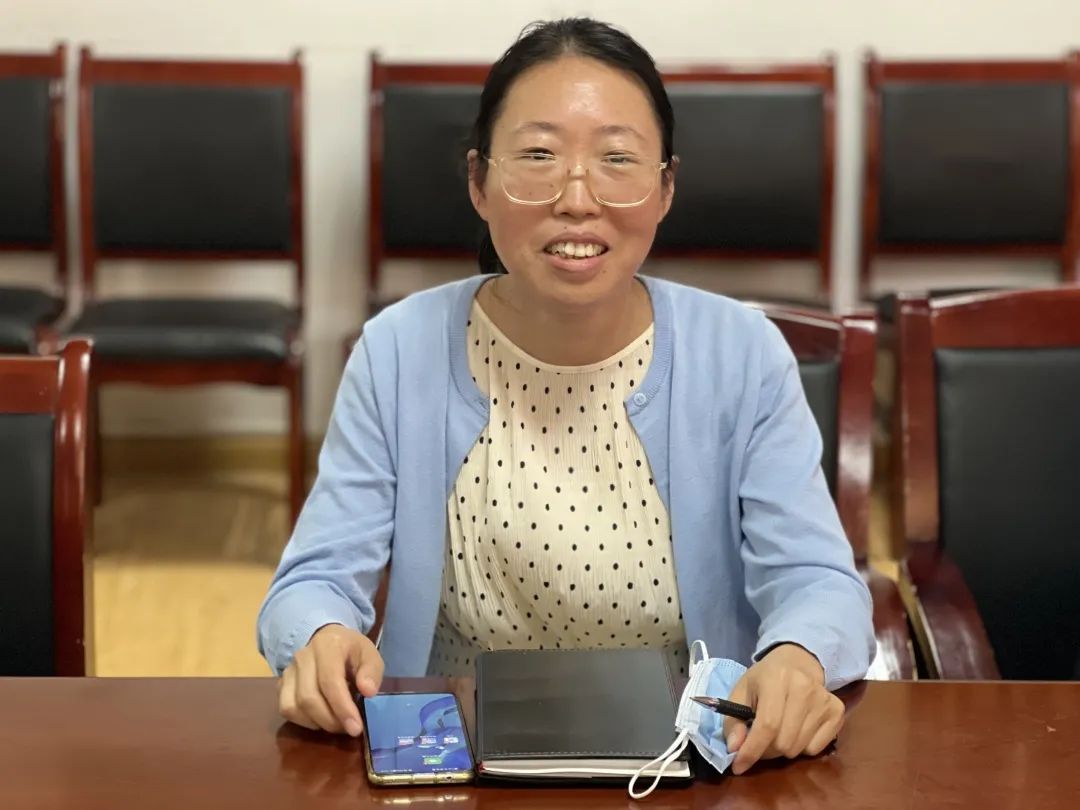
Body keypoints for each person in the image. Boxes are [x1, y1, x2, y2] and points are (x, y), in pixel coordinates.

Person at [258, 17, 874, 776]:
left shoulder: (742, 353)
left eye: (617, 159)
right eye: (539, 157)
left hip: (685, 766)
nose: (577, 199)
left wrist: (797, 657)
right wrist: (320, 636)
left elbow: (820, 582)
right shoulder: (398, 349)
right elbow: (312, 581)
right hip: (459, 760)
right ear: (479, 183)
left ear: (665, 188)